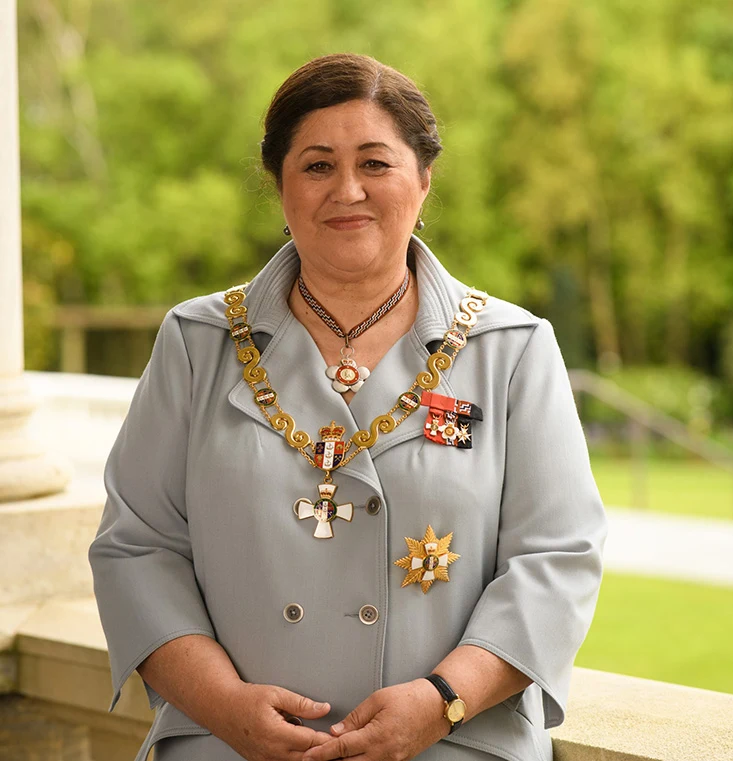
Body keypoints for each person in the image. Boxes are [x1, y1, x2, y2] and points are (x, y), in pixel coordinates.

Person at [89, 53, 607, 761]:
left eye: (375, 163)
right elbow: (137, 547)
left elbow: (557, 558)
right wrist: (221, 705)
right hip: (226, 743)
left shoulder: (512, 349)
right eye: (317, 166)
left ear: (424, 179)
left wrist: (442, 699)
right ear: (280, 185)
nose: (348, 190)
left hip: (455, 742)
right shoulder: (196, 341)